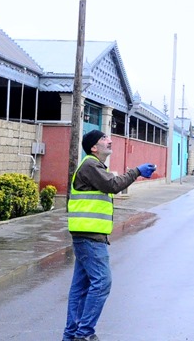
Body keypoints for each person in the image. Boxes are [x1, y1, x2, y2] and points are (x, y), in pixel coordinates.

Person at [63, 130, 156, 341]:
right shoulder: (90, 165)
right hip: (89, 236)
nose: (110, 141)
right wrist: (136, 172)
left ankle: (71, 335)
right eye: (104, 139)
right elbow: (112, 186)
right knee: (102, 282)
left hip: (88, 234)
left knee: (81, 287)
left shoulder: (93, 166)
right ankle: (84, 333)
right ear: (94, 147)